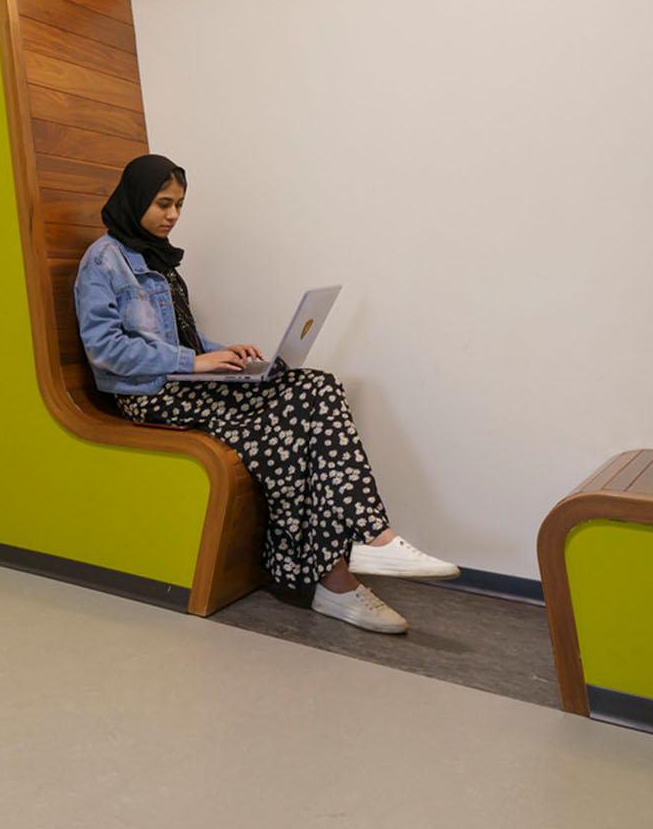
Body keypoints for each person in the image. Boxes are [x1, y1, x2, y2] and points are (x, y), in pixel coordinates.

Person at [73, 153, 458, 634]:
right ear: (134, 199)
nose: (173, 215)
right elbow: (105, 350)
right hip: (148, 394)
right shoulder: (104, 261)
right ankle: (355, 559)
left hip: (182, 381)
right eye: (162, 203)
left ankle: (348, 567)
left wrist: (223, 353)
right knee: (296, 409)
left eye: (180, 205)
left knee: (314, 386)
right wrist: (196, 362)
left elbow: (177, 339)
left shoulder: (157, 257)